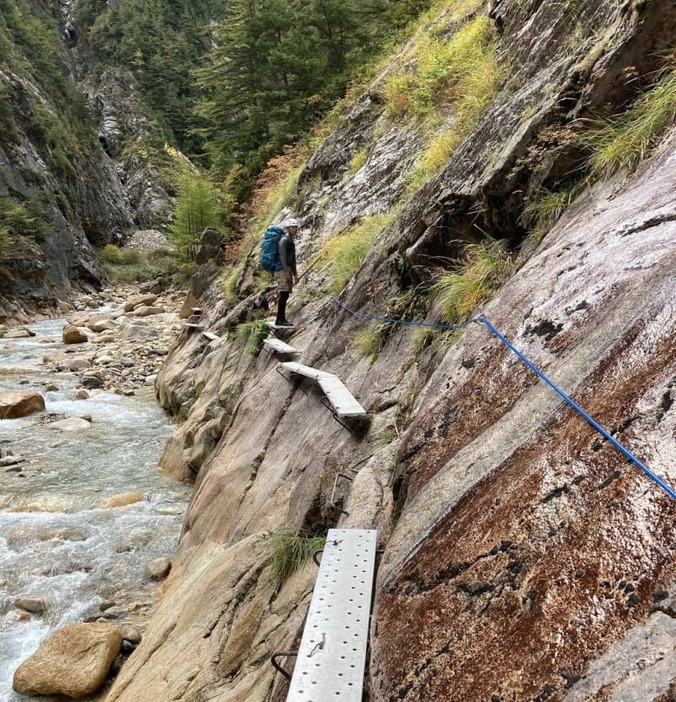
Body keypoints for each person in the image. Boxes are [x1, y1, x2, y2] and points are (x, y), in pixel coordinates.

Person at [275, 217, 299, 327]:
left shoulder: (290, 241)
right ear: (288, 228)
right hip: (282, 270)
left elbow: (293, 259)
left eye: (296, 227)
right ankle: (280, 320)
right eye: (293, 227)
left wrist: (295, 274)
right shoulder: (284, 240)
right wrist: (286, 273)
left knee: (285, 295)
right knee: (283, 294)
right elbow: (283, 257)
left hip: (287, 269)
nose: (295, 229)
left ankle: (281, 319)